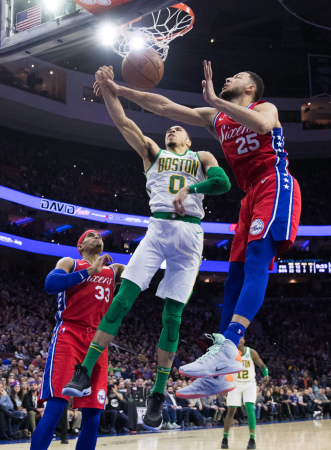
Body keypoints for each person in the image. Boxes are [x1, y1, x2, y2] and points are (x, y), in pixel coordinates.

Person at [91, 63, 302, 399]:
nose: (231, 77)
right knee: (233, 276)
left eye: (239, 76)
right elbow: (162, 105)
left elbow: (262, 125)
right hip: (250, 197)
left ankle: (229, 342)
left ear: (251, 89)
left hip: (274, 184)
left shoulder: (263, 108)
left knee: (257, 260)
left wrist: (217, 100)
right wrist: (119, 90)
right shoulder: (215, 116)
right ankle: (220, 371)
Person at [63, 66, 232, 431]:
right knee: (122, 299)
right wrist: (108, 88)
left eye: (178, 127)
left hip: (190, 235)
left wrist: (193, 190)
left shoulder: (201, 157)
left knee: (172, 318)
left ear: (187, 138)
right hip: (156, 229)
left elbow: (222, 183)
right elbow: (123, 122)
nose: (172, 128)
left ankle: (157, 392)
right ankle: (84, 370)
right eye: (170, 127)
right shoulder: (153, 152)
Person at [31, 231, 125, 450]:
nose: (98, 237)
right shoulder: (71, 262)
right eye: (91, 235)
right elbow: (51, 284)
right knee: (56, 406)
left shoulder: (115, 270)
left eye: (100, 235)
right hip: (69, 333)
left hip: (98, 340)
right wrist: (92, 271)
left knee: (93, 416)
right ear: (80, 245)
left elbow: (141, 274)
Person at [220, 338, 267, 450]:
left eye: (241, 338)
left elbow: (262, 365)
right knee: (231, 411)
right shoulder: (230, 354)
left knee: (250, 408)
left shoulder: (251, 352)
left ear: (245, 340)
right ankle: (225, 438)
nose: (239, 340)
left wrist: (266, 374)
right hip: (235, 384)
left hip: (249, 383)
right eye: (237, 338)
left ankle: (252, 439)